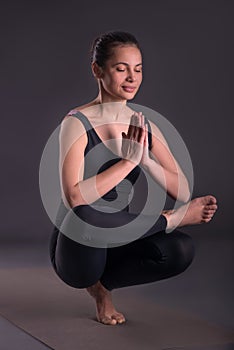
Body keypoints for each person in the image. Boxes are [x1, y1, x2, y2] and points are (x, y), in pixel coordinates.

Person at [49, 31, 217, 326]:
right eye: (121, 68)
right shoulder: (76, 123)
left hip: (121, 233)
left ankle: (103, 289)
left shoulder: (144, 126)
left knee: (181, 249)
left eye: (138, 69)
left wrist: (148, 161)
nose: (132, 77)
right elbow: (74, 198)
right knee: (89, 212)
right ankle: (168, 220)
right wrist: (128, 162)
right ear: (97, 70)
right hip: (78, 246)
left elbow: (183, 191)